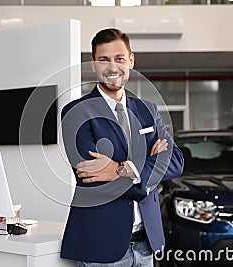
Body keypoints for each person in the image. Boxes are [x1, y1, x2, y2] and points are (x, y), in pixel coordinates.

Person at [60, 28, 184, 266]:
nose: (112, 67)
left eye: (119, 59)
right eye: (104, 60)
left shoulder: (148, 110)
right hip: (100, 244)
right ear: (94, 64)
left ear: (131, 61)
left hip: (146, 242)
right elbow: (93, 178)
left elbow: (176, 161)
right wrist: (150, 172)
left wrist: (120, 169)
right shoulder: (76, 113)